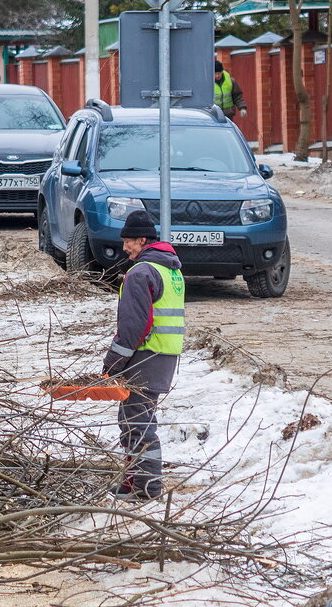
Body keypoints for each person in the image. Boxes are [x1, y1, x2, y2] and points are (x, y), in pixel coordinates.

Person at [102, 211, 185, 501]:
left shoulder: (141, 272)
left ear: (142, 240)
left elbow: (134, 326)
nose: (125, 248)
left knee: (138, 423)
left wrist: (111, 363)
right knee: (132, 420)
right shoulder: (171, 270)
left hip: (144, 358)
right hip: (164, 356)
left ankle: (147, 487)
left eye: (128, 242)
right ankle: (133, 481)